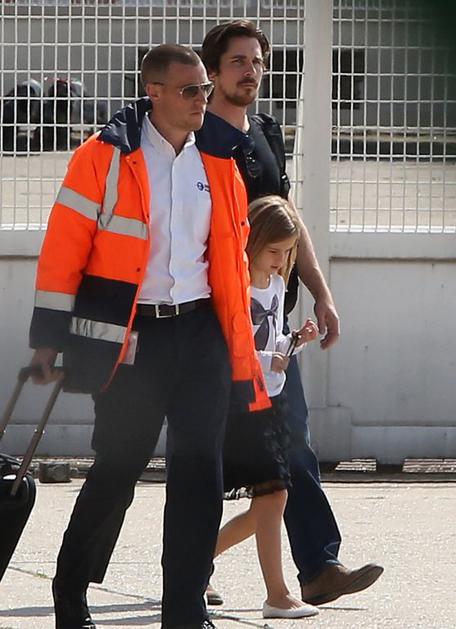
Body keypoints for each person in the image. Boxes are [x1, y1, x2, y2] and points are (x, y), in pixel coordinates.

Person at [28, 44, 270, 629]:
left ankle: (185, 610)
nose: (201, 100)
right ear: (152, 92)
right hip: (134, 338)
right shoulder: (104, 156)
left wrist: (241, 341)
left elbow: (230, 260)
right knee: (119, 467)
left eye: (204, 90)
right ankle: (69, 590)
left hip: (202, 333)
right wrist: (49, 338)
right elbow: (65, 249)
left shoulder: (219, 157)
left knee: (200, 473)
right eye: (189, 90)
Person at [201, 20, 384, 607]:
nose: (251, 71)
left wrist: (321, 294)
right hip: (216, 327)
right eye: (238, 61)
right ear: (212, 71)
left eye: (258, 61)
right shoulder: (195, 139)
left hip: (273, 326)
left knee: (294, 447)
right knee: (212, 456)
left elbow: (288, 219)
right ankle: (192, 560)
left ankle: (318, 567)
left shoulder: (266, 133)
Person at [213, 195, 320, 619]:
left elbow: (274, 341)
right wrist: (266, 359)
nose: (280, 261)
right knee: (274, 496)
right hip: (241, 403)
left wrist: (295, 342)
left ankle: (196, 562)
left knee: (269, 502)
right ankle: (276, 594)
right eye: (274, 251)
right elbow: (231, 347)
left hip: (270, 400)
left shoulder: (276, 286)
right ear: (253, 241)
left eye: (288, 252)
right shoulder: (236, 286)